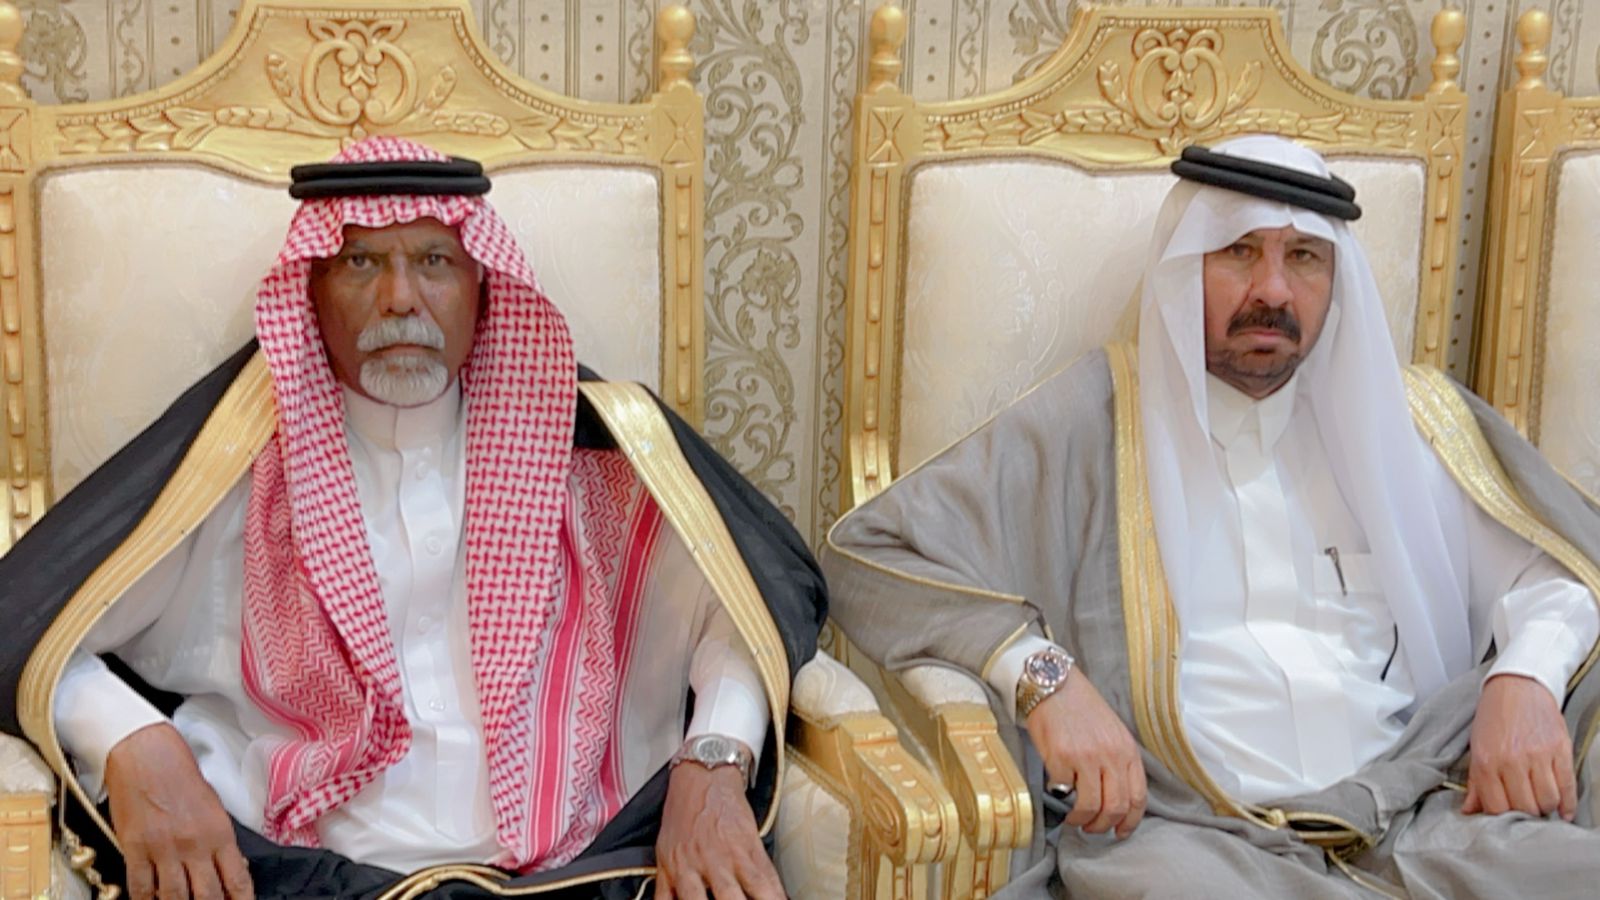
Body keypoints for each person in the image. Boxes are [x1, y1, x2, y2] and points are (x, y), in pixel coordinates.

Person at [0, 137, 825, 900]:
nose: (400, 298)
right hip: (297, 878)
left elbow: (746, 604)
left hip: (577, 873)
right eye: (361, 262)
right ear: (312, 291)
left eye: (435, 261)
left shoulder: (592, 463)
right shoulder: (234, 474)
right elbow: (32, 625)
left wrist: (713, 760)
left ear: (481, 285)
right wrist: (131, 739)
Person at [822, 134, 1600, 897]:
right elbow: (870, 555)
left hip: (1418, 817)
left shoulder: (1409, 424)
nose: (1273, 291)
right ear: (1185, 262)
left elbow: (1561, 569)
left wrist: (1525, 677)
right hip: (1191, 836)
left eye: (1304, 257)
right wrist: (1044, 679)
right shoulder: (1091, 424)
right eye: (1238, 251)